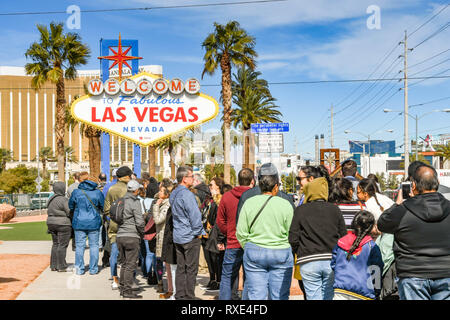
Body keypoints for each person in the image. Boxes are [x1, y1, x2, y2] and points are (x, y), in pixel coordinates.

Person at [378, 164, 450, 300]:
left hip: (412, 273)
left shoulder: (403, 211)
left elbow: (382, 224)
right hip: (446, 272)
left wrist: (398, 203)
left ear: (414, 186)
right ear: (438, 183)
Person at [236, 173, 294, 300]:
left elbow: (241, 232)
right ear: (276, 187)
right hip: (280, 251)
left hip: (254, 251)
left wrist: (249, 246)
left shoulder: (249, 203)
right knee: (279, 295)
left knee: (256, 295)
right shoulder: (285, 204)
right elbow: (291, 232)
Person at [288, 176, 347, 300]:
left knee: (313, 296)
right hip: (331, 259)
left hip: (308, 260)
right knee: (329, 295)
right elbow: (343, 237)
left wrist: (300, 252)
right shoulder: (334, 209)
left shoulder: (300, 210)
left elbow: (293, 238)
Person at [216, 168, 254, 300]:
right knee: (250, 277)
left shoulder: (227, 196)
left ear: (238, 180)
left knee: (227, 277)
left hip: (233, 242)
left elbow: (220, 221)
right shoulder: (255, 196)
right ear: (252, 181)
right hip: (252, 243)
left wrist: (230, 232)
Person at [170, 166, 205, 300]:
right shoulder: (186, 194)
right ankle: (189, 295)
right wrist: (199, 232)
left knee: (181, 267)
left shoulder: (174, 192)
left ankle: (179, 294)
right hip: (189, 235)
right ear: (184, 179)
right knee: (191, 268)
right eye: (191, 176)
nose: (193, 179)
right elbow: (194, 215)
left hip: (178, 234)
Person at [331, 210, 384, 300]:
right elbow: (376, 271)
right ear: (371, 227)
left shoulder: (341, 242)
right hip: (364, 292)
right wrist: (376, 292)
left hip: (340, 290)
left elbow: (333, 264)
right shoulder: (372, 247)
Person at [69, 172, 105, 275]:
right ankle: (93, 269)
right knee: (94, 246)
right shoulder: (97, 193)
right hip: (94, 221)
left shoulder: (76, 192)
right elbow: (103, 207)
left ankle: (79, 269)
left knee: (80, 246)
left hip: (79, 221)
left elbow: (71, 206)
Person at [104, 166, 134, 290]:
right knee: (130, 256)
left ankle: (115, 279)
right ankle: (129, 280)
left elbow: (106, 210)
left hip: (115, 227)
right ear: (127, 176)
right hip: (129, 227)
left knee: (114, 253)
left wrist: (113, 220)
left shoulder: (111, 189)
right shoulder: (131, 189)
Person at [116, 180, 146, 299]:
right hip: (131, 235)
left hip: (120, 235)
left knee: (124, 263)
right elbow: (139, 221)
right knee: (130, 264)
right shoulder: (135, 202)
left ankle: (123, 288)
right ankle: (127, 291)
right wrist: (142, 232)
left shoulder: (121, 200)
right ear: (136, 190)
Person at [200, 177, 225, 292]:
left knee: (216, 258)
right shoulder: (207, 200)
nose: (210, 187)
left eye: (212, 185)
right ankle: (212, 279)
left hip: (215, 234)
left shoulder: (220, 200)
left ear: (218, 186)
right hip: (206, 233)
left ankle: (218, 280)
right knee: (208, 257)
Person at [152, 178, 175, 298]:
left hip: (164, 237)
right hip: (161, 235)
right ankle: (164, 285)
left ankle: (170, 289)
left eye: (161, 191)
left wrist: (156, 206)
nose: (159, 193)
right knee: (161, 262)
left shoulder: (166, 205)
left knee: (166, 264)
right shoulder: (164, 201)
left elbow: (158, 219)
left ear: (166, 194)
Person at [47, 181, 72, 272]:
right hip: (63, 224)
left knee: (55, 244)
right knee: (62, 245)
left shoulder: (50, 199)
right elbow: (69, 211)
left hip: (51, 222)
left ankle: (53, 265)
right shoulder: (63, 199)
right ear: (62, 189)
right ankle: (62, 266)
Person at [161, 183, 178, 300]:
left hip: (174, 242)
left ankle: (175, 293)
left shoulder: (173, 208)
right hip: (172, 241)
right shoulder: (173, 208)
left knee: (174, 269)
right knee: (172, 269)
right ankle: (174, 292)